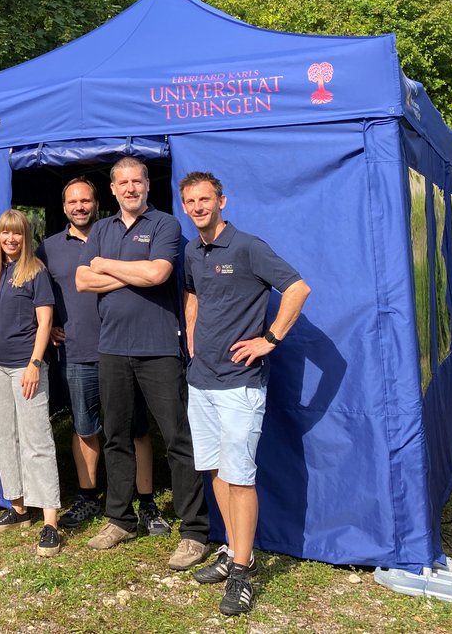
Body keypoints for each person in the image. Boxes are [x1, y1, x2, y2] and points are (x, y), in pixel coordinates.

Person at [179, 171, 311, 616]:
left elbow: (298, 288)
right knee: (217, 470)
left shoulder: (248, 246)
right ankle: (237, 552)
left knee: (240, 477)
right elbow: (193, 295)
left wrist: (269, 339)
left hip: (240, 385)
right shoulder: (192, 251)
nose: (198, 207)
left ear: (222, 201)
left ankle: (241, 572)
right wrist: (192, 336)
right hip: (201, 381)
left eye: (205, 199)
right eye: (190, 201)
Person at [75, 157, 210, 571]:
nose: (131, 188)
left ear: (147, 185)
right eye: (123, 182)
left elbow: (158, 274)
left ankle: (194, 532)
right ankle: (120, 520)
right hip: (112, 347)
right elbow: (82, 280)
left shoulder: (166, 224)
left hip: (159, 347)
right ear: (113, 189)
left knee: (177, 438)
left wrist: (107, 266)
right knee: (116, 435)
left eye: (137, 181)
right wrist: (134, 272)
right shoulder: (102, 229)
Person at [38, 177, 172, 537]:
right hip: (79, 350)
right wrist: (48, 326)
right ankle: (88, 496)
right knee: (85, 428)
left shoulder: (116, 236)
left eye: (85, 200)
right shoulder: (47, 249)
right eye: (72, 202)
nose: (79, 207)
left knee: (135, 428)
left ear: (97, 203)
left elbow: (156, 274)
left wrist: (123, 273)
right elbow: (37, 294)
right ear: (64, 207)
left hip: (127, 347)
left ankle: (146, 502)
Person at [0, 209, 64, 557]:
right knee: (3, 436)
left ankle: (50, 521)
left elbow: (45, 322)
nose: (11, 239)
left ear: (26, 237)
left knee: (36, 440)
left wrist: (35, 364)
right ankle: (19, 508)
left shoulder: (36, 273)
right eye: (5, 233)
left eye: (17, 234)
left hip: (25, 368)